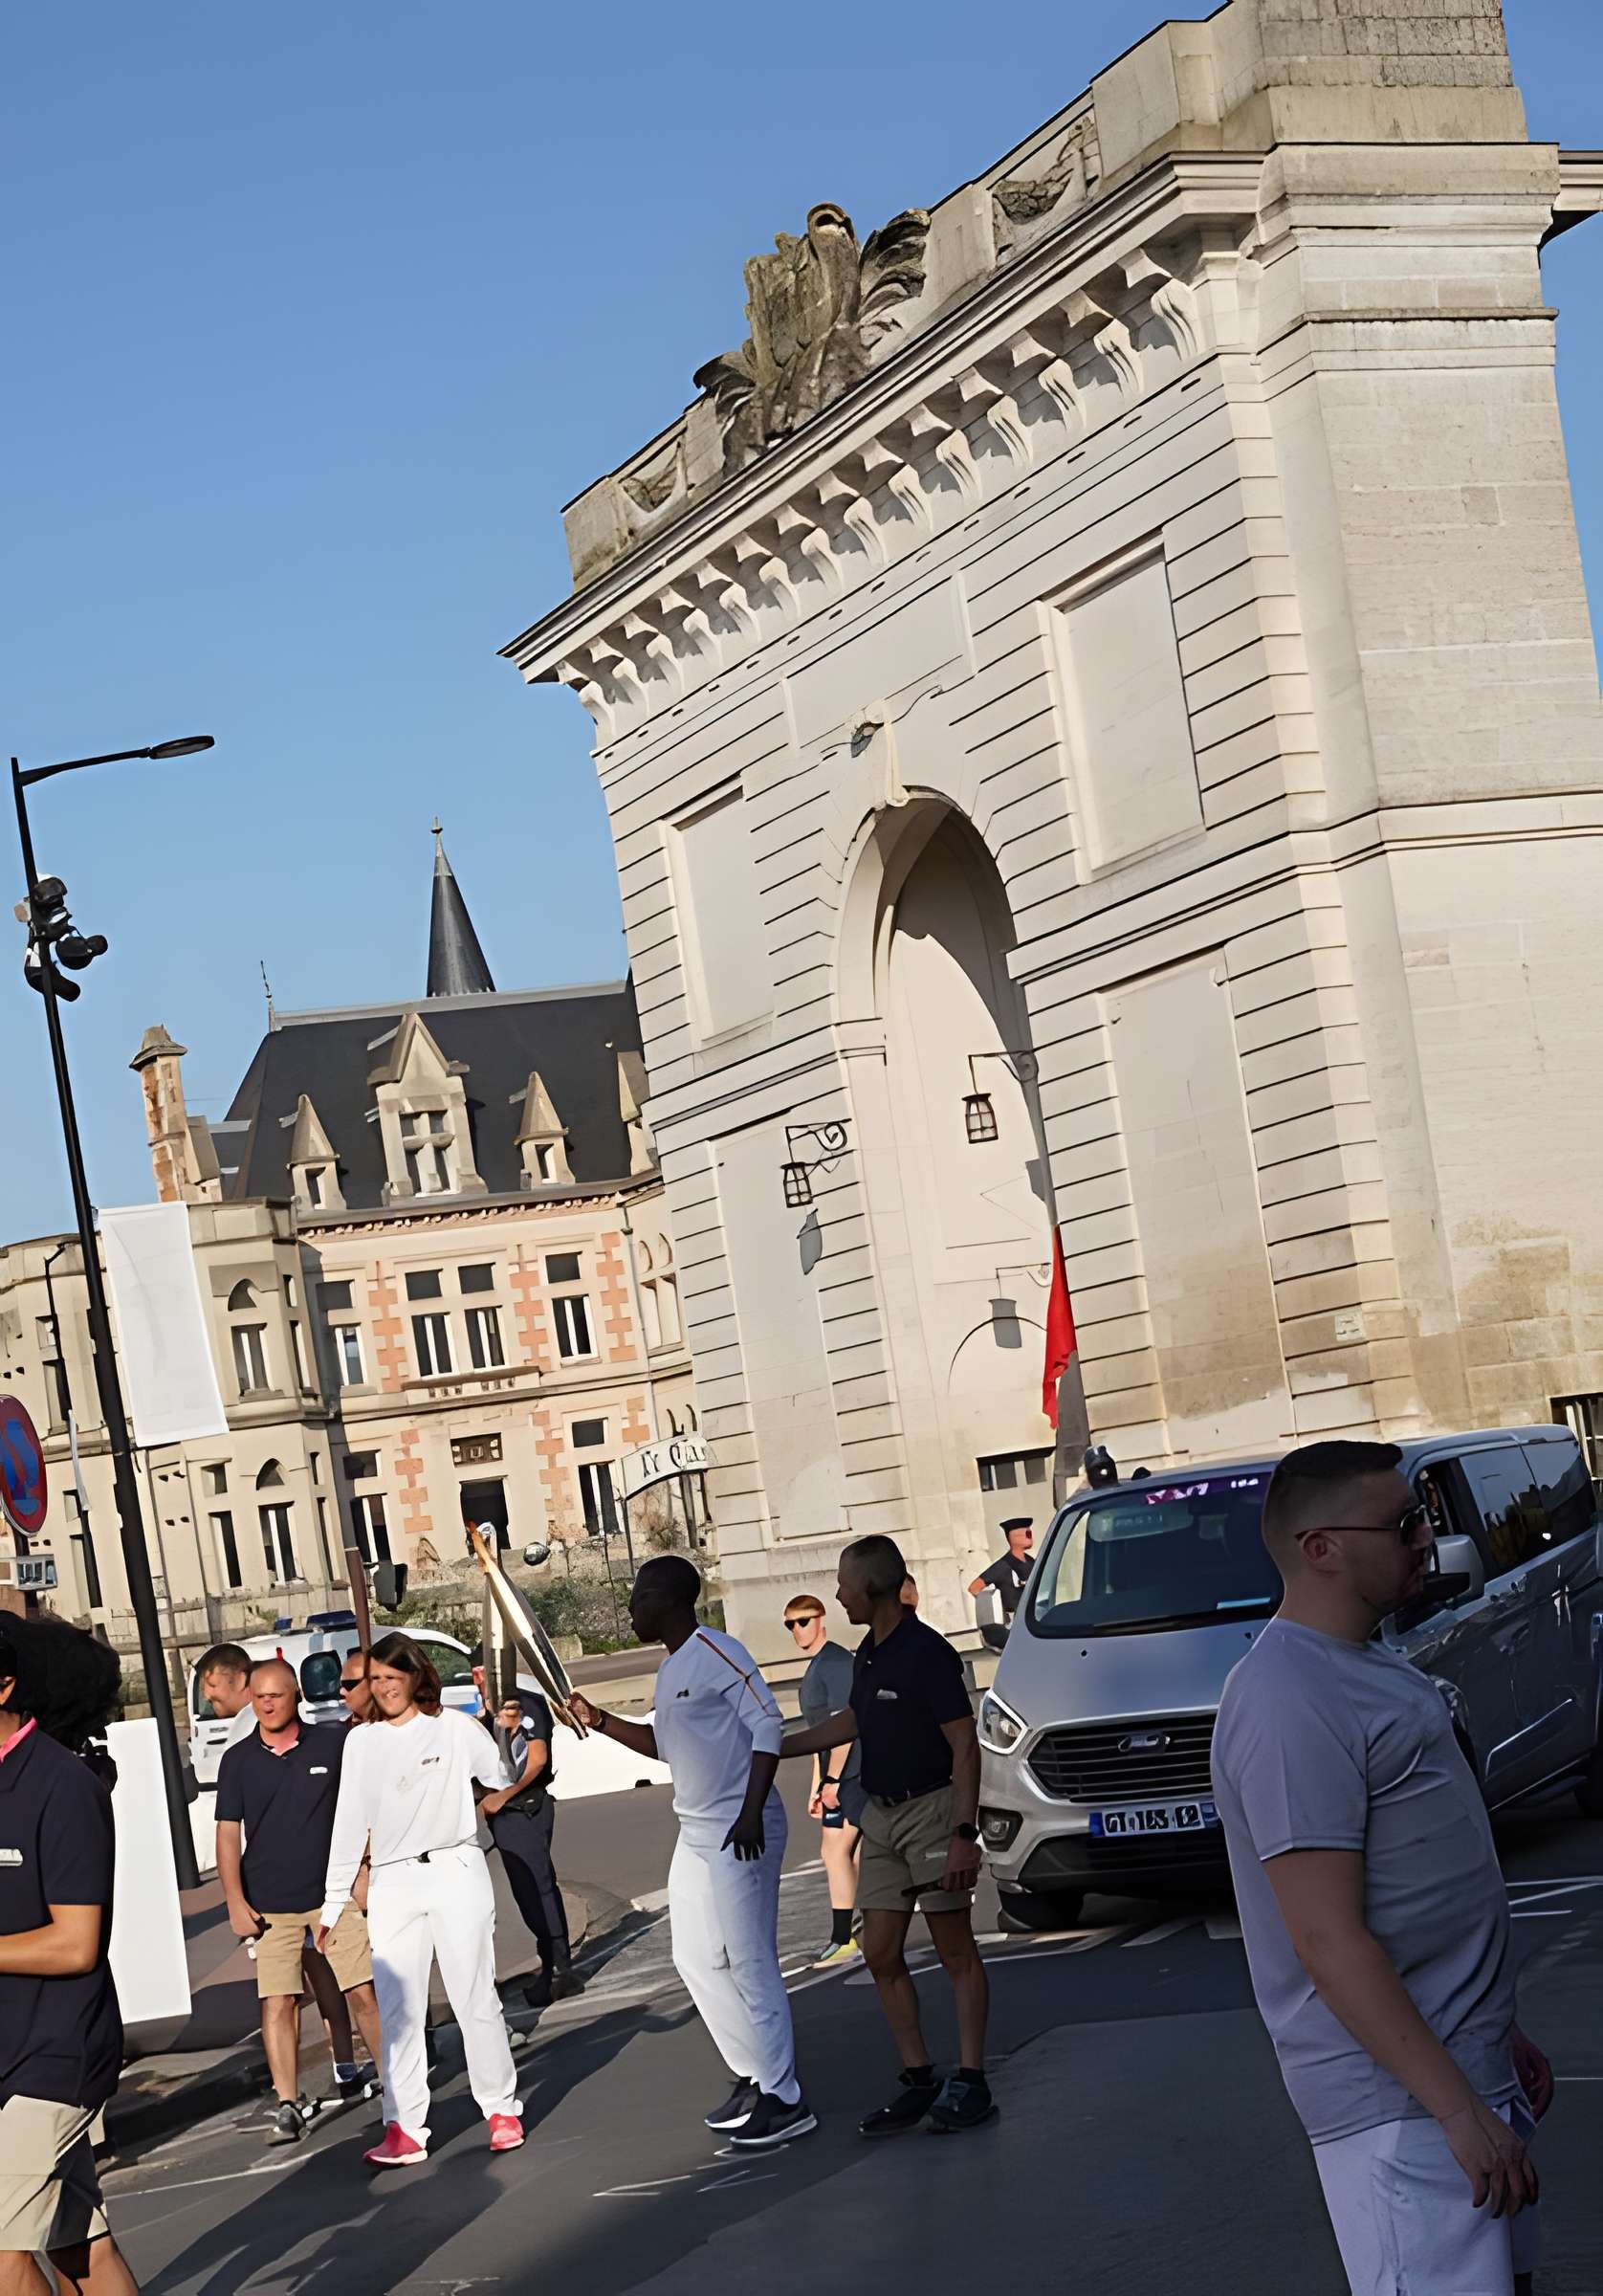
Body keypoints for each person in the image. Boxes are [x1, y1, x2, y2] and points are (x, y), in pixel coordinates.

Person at [1211, 1440, 1550, 2296]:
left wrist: (1494, 2036)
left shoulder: (1361, 1662)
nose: (1426, 1537)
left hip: (1453, 2076)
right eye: (1403, 1524)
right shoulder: (1288, 1696)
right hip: (1400, 2112)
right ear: (1320, 1546)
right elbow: (1327, 1938)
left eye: (1422, 1518)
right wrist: (1455, 2107)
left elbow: (1415, 1886)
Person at [566, 1556, 815, 2152]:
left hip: (741, 1827)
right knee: (695, 1959)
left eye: (636, 1598)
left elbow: (768, 1727)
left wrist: (753, 1810)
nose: (630, 1610)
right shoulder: (672, 1667)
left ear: (665, 1599)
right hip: (697, 1833)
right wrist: (597, 1720)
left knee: (751, 1962)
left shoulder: (718, 1650)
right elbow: (666, 1747)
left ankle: (786, 2099)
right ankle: (755, 2076)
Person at [781, 1534, 994, 2136]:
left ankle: (972, 2079)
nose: (839, 1595)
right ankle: (919, 2076)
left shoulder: (927, 1652)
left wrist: (963, 1832)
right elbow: (856, 1718)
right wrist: (780, 1746)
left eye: (845, 1585)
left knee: (956, 1951)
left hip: (932, 1810)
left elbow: (963, 1743)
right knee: (879, 1951)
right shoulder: (867, 1654)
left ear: (872, 1588)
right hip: (880, 1816)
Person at [318, 1631, 523, 2168]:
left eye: (392, 1676)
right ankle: (404, 2127)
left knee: (473, 1994)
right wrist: (333, 1900)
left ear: (416, 1676)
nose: (383, 1687)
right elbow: (347, 1823)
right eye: (375, 1679)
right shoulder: (360, 1743)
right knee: (400, 2009)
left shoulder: (454, 1728)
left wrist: (504, 1733)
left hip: (456, 1868)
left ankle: (501, 2109)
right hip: (392, 1882)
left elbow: (500, 1775)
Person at [0, 1614, 139, 2296]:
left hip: (55, 2056)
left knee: (2, 2257)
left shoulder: (62, 1786)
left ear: (4, 1687)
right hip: (7, 2048)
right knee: (79, 2246)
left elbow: (76, 1944)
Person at [215, 1660, 384, 2147]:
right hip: (270, 1904)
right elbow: (227, 1836)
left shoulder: (333, 1744)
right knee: (278, 2002)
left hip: (333, 1896)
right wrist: (233, 1899)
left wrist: (365, 1868)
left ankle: (397, 2083)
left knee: (364, 1992)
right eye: (259, 1696)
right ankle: (288, 2104)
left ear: (297, 1698)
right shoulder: (238, 1761)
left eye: (277, 1695)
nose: (267, 1703)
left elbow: (366, 1807)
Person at [479, 1691, 582, 2009]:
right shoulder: (489, 1711)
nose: (481, 1678)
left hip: (526, 1807)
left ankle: (560, 1970)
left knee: (539, 1889)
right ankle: (551, 1964)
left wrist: (504, 1795)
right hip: (504, 1814)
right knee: (525, 1894)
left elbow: (536, 1759)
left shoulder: (525, 1702)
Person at [783, 1595, 864, 1970]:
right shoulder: (818, 1665)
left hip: (852, 1773)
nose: (797, 1630)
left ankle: (842, 1937)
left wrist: (832, 1780)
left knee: (833, 1851)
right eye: (790, 1624)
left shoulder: (834, 1663)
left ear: (820, 1619)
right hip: (837, 1774)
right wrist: (817, 1783)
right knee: (849, 1852)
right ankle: (860, 1926)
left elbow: (844, 1729)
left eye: (803, 1621)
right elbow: (820, 1736)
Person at [966, 1518, 1033, 1623]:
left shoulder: (1031, 1561)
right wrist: (997, 1613)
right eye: (1027, 1534)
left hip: (1034, 1621)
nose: (1030, 1537)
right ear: (1014, 1537)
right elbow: (974, 1588)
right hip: (1016, 1624)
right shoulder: (1003, 1566)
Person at [197, 1644, 258, 1755]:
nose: (206, 1696)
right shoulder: (246, 1721)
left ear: (240, 1680)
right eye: (202, 1689)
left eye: (213, 1685)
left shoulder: (255, 1723)